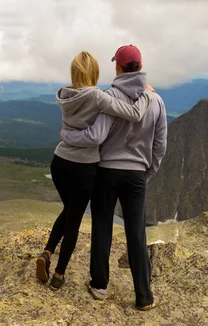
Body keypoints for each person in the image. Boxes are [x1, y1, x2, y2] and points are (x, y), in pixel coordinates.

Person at [36, 51, 154, 291]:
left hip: (59, 161)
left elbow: (68, 128)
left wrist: (66, 135)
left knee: (68, 210)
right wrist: (147, 95)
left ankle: (48, 252)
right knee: (74, 219)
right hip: (84, 167)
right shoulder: (98, 97)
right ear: (95, 73)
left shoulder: (64, 95)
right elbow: (133, 114)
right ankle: (58, 274)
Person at [61, 45, 167, 310]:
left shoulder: (108, 97)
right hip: (136, 174)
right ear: (140, 67)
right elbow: (160, 145)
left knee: (102, 227)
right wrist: (147, 172)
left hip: (106, 172)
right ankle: (144, 296)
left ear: (117, 68)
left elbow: (97, 136)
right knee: (136, 234)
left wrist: (68, 137)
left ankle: (99, 285)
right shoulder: (155, 100)